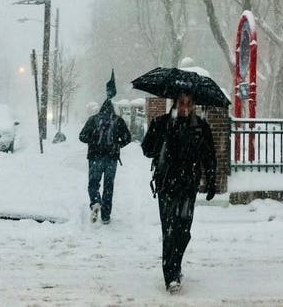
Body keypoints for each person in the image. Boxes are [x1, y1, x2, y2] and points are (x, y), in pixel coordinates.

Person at [141, 92, 217, 294]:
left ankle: (176, 263)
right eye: (181, 103)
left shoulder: (200, 127)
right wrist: (156, 133)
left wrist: (211, 182)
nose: (185, 107)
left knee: (183, 231)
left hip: (188, 186)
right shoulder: (163, 123)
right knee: (169, 229)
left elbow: (209, 156)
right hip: (167, 184)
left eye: (189, 103)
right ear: (175, 103)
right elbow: (147, 149)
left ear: (193, 106)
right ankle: (171, 276)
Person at [79, 98, 131, 224]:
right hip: (111, 158)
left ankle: (96, 202)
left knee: (93, 183)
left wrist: (93, 141)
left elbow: (82, 136)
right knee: (108, 186)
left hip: (95, 157)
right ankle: (106, 216)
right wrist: (117, 144)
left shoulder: (93, 119)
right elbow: (127, 138)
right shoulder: (118, 120)